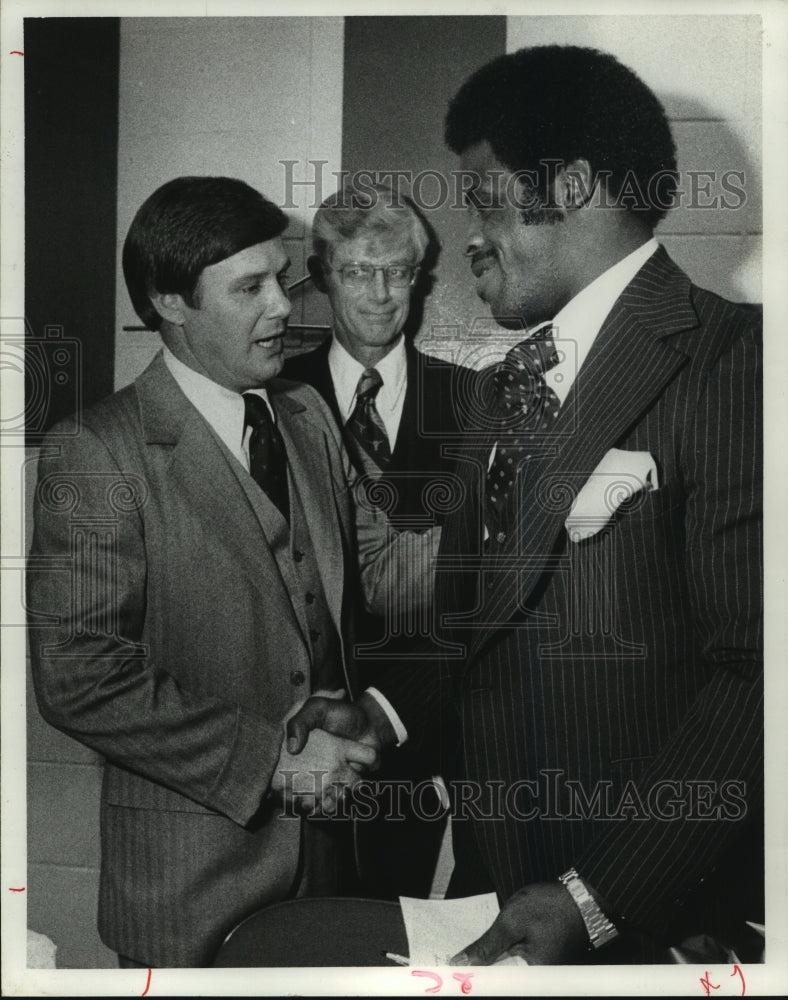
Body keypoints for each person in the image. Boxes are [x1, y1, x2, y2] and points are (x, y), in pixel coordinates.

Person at [287, 45, 764, 964]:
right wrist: (381, 714)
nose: (471, 239)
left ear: (574, 184)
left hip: (651, 913)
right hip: (496, 890)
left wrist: (597, 896)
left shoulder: (736, 362)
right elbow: (478, 625)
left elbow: (759, 674)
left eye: (486, 200)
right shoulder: (504, 387)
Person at [26, 176, 438, 968]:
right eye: (249, 287)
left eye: (280, 280)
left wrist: (529, 514)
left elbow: (382, 564)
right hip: (189, 895)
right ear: (170, 302)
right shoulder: (98, 449)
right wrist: (273, 760)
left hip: (329, 867)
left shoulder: (305, 414)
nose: (285, 307)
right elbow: (77, 673)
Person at [283, 184, 473, 899]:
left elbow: (482, 593)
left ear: (421, 281)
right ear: (323, 275)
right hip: (299, 739)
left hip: (425, 736)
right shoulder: (271, 395)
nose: (381, 293)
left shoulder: (473, 405)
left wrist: (393, 712)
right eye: (358, 271)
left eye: (398, 271)